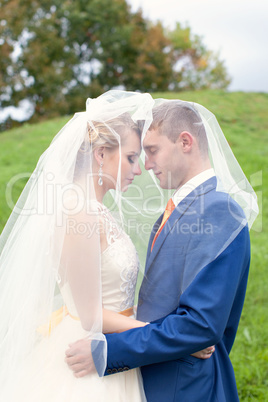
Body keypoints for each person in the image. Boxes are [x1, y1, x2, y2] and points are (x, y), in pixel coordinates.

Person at [0, 91, 212, 402]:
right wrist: (178, 339)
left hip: (116, 345)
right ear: (101, 154)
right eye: (130, 158)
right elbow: (90, 316)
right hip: (89, 355)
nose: (138, 170)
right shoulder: (78, 212)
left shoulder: (96, 211)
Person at [66, 99, 259, 401]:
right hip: (155, 377)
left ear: (185, 142)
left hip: (185, 386)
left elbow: (201, 326)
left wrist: (109, 351)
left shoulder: (219, 210)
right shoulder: (175, 211)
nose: (146, 165)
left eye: (152, 151)